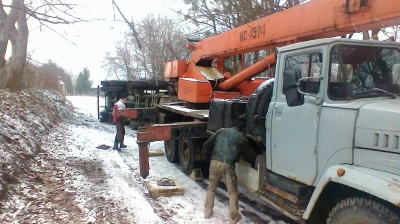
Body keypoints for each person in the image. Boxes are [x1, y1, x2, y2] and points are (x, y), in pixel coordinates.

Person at [202, 126, 248, 224]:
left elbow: (207, 144)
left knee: (211, 188)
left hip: (214, 162)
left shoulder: (220, 130)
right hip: (228, 164)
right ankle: (234, 217)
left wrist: (207, 155)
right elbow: (245, 154)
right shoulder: (240, 137)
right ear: (239, 130)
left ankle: (207, 212)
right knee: (232, 192)